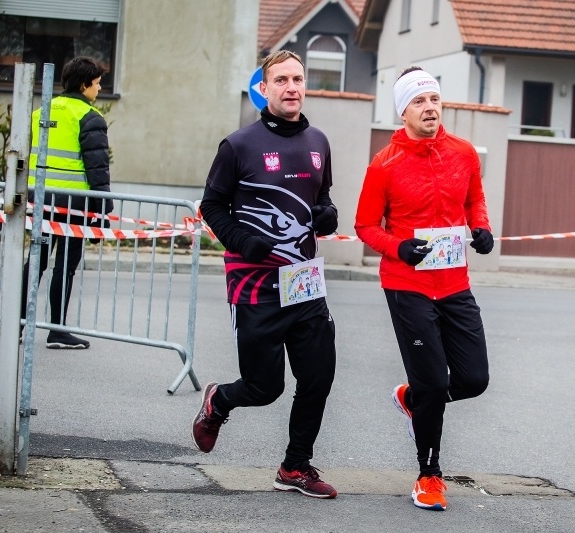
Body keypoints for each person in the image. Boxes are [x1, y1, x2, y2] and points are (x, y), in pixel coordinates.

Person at [192, 50, 339, 499]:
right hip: (255, 284)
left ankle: (295, 468)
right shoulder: (238, 145)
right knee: (264, 387)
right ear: (265, 87)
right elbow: (211, 207)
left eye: (297, 79)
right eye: (281, 80)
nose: (291, 87)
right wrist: (240, 239)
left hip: (304, 282)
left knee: (318, 377)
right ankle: (218, 400)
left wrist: (327, 215)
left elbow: (324, 198)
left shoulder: (318, 142)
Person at [354, 67, 494, 511]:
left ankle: (412, 397)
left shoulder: (464, 153)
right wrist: (398, 247)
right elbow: (364, 226)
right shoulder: (384, 165)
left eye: (434, 98)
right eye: (419, 101)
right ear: (404, 111)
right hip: (406, 285)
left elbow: (474, 200)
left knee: (474, 379)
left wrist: (482, 228)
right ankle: (429, 475)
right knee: (434, 380)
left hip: (455, 284)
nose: (430, 107)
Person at [21, 56, 113, 349]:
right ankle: (57, 331)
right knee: (65, 265)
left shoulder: (39, 112)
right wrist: (102, 212)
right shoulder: (89, 117)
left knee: (35, 262)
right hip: (73, 205)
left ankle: (19, 324)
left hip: (39, 202)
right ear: (85, 84)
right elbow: (97, 169)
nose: (98, 90)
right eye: (97, 84)